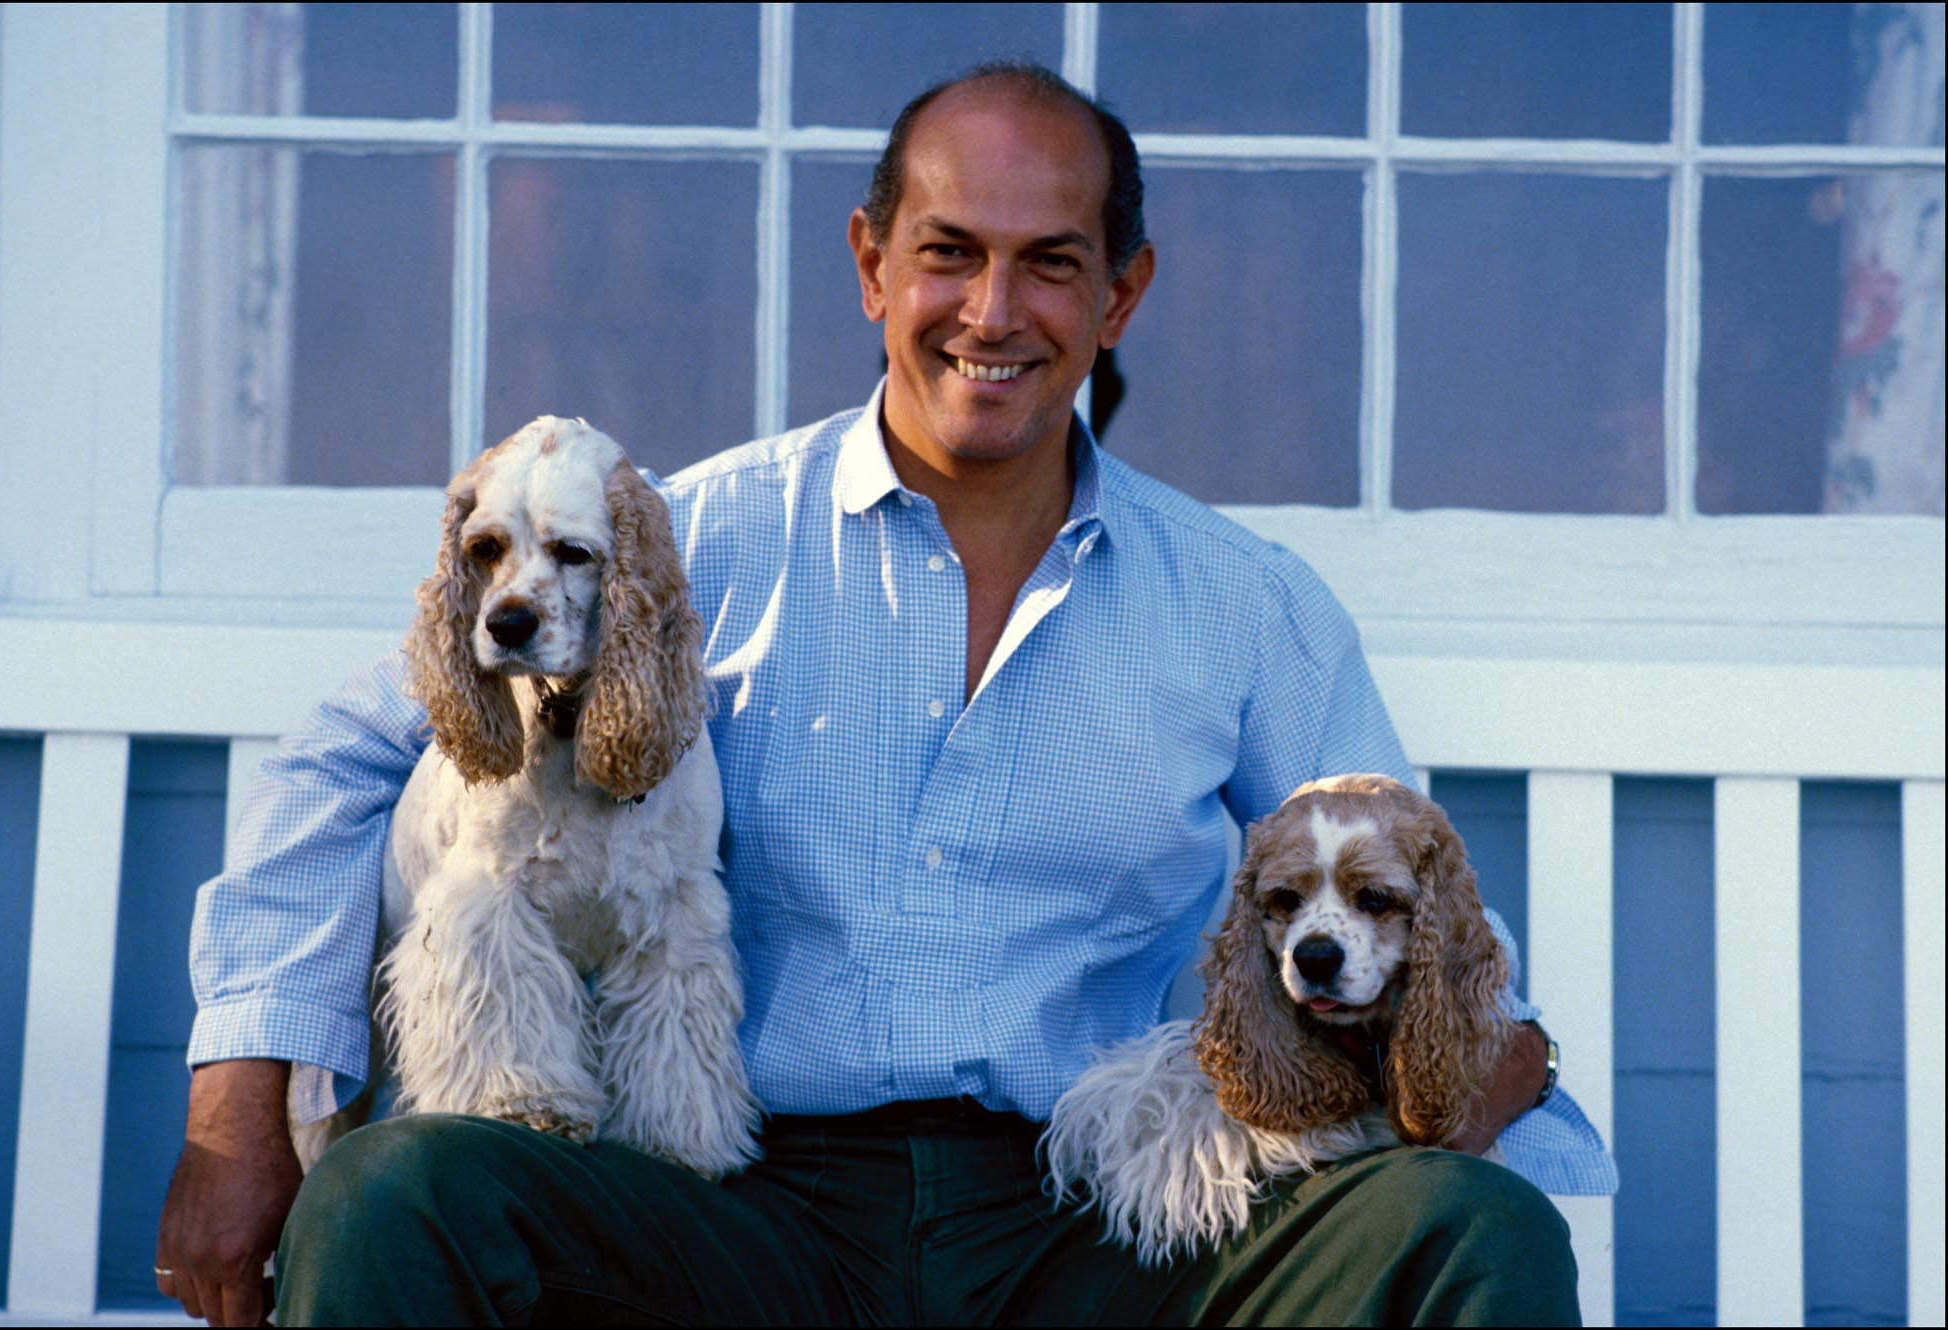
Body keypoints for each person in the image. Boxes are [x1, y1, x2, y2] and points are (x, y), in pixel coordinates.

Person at [156, 61, 1614, 1327]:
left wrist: (1446, 1108)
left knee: (1472, 1231)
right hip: (736, 1205)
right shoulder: (685, 539)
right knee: (392, 1193)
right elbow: (357, 755)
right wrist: (241, 1098)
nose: (994, 310)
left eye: (1051, 260)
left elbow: (1441, 936)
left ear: (1123, 293)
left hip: (1099, 1219)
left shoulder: (1248, 606)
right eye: (947, 253)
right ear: (870, 265)